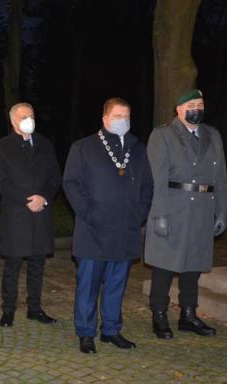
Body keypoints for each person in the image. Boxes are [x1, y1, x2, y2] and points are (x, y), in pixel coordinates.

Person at [63, 98, 153, 353]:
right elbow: (71, 183)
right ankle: (86, 332)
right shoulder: (84, 147)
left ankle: (111, 330)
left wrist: (140, 213)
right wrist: (89, 213)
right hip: (94, 230)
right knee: (89, 285)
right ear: (104, 118)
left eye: (126, 116)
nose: (121, 120)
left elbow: (148, 185)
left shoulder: (138, 149)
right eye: (116, 115)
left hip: (125, 230)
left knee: (116, 284)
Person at [145, 89, 227, 339]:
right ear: (178, 109)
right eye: (190, 104)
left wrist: (222, 211)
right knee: (164, 264)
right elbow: (156, 179)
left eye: (200, 104)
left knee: (194, 264)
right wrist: (158, 213)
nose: (196, 108)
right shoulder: (162, 135)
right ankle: (159, 314)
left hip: (203, 208)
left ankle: (188, 314)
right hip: (173, 207)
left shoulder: (213, 135)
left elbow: (220, 176)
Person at [0, 102, 62, 328]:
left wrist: (44, 197)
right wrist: (25, 200)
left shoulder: (45, 144)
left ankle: (35, 308)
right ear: (13, 121)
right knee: (12, 265)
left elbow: (54, 177)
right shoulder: (1, 147)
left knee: (38, 264)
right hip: (16, 214)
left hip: (41, 212)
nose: (28, 119)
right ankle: (8, 310)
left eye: (31, 115)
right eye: (23, 116)